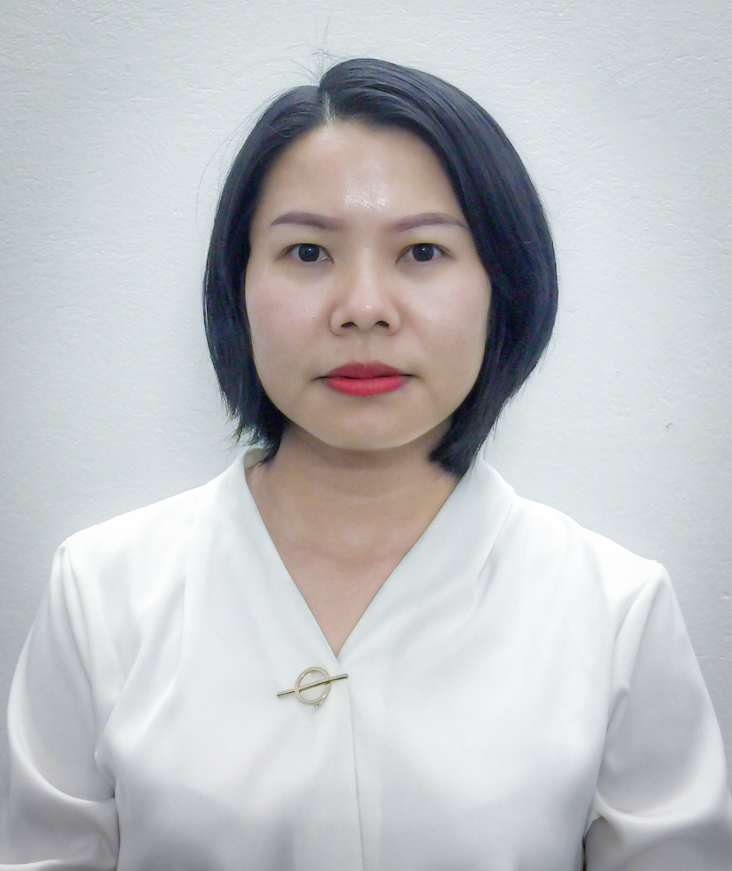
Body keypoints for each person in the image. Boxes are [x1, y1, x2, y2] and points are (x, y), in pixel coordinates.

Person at [1, 58, 730, 871]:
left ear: (505, 286)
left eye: (422, 251)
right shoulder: (102, 593)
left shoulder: (615, 611)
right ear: (237, 284)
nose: (363, 308)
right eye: (308, 251)